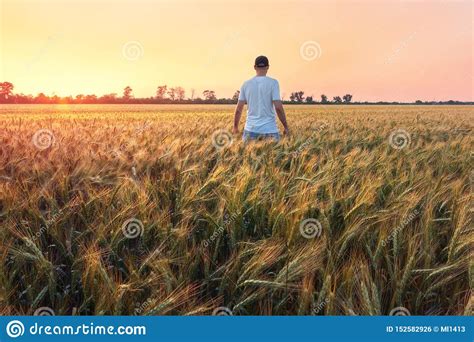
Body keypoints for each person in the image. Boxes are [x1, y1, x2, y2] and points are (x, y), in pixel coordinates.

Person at [233, 55, 289, 141]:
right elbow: (278, 107)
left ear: (255, 67)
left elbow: (238, 109)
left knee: (248, 154)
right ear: (268, 67)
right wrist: (285, 126)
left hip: (250, 130)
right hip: (270, 130)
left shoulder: (246, 84)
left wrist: (235, 127)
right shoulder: (273, 83)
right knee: (273, 155)